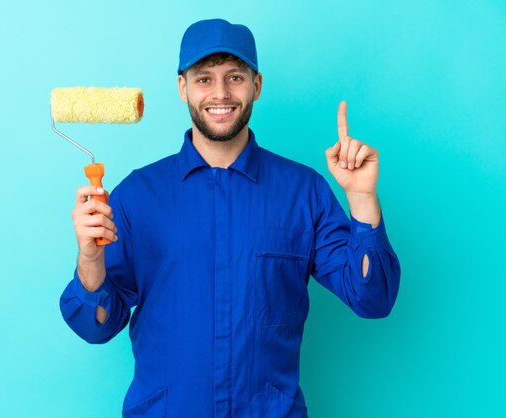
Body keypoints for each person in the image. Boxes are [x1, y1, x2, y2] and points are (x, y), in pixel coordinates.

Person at [59, 18, 400, 418]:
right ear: (182, 87)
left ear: (256, 85)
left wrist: (362, 199)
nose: (220, 93)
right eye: (204, 79)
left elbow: (372, 298)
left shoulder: (302, 191)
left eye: (235, 77)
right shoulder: (137, 195)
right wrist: (90, 257)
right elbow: (95, 326)